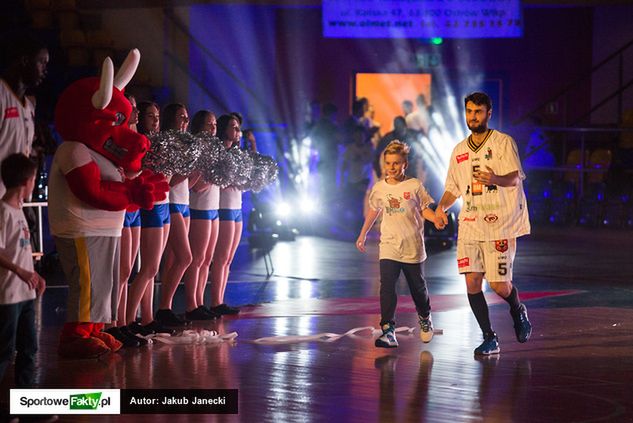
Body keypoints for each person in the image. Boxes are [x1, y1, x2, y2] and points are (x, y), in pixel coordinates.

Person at [434, 92, 532, 356]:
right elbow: (452, 188)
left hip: (500, 223)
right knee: (472, 283)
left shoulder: (503, 142)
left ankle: (517, 309)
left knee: (500, 286)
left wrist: (494, 178)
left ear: (489, 113)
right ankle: (490, 337)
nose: (473, 116)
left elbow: (514, 178)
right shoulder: (459, 151)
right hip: (470, 224)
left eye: (478, 111)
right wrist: (440, 208)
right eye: (469, 111)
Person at [356, 140, 437, 348]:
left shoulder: (414, 186)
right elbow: (374, 210)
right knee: (387, 286)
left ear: (405, 164)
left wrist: (435, 218)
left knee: (417, 288)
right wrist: (363, 233)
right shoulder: (380, 188)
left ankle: (425, 318)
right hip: (389, 245)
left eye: (396, 163)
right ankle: (388, 329)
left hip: (412, 246)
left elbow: (424, 209)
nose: (391, 167)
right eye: (388, 163)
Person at [0, 154, 46, 391]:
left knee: (29, 348)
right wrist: (20, 271)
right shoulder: (4, 212)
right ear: (26, 181)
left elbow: (20, 250)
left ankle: (26, 404)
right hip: (8, 294)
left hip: (25, 293)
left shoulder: (18, 210)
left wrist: (34, 275)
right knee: (5, 350)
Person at [181, 110, 220, 320]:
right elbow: (197, 187)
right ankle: (191, 304)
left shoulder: (214, 149)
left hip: (213, 208)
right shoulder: (196, 148)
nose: (213, 128)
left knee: (207, 259)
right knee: (196, 258)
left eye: (214, 124)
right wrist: (216, 174)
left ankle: (200, 301)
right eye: (209, 124)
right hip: (199, 208)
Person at [0, 33, 49, 197]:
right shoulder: (1, 94)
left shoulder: (28, 106)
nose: (45, 70)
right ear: (25, 61)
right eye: (41, 62)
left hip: (14, 199)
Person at [208, 114, 245, 315]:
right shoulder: (218, 152)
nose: (237, 131)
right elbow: (216, 181)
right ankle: (215, 302)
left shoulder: (238, 154)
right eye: (233, 127)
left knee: (229, 258)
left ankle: (220, 300)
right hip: (222, 207)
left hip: (236, 207)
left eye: (238, 128)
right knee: (220, 257)